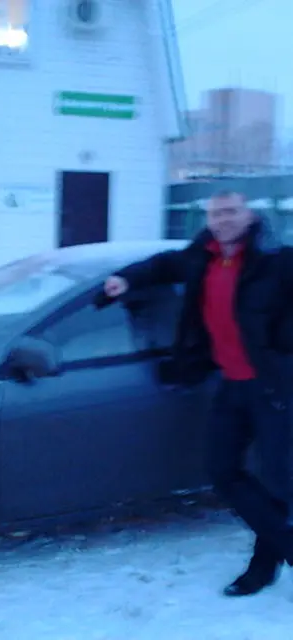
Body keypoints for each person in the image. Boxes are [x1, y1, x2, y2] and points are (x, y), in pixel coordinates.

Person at [101, 190, 293, 597]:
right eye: (216, 213)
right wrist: (125, 279)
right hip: (232, 384)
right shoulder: (202, 257)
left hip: (275, 387)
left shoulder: (278, 260)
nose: (224, 219)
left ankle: (262, 568)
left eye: (232, 211)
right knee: (222, 470)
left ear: (249, 215)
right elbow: (162, 265)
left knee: (278, 482)